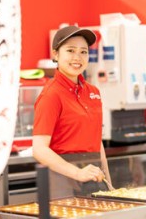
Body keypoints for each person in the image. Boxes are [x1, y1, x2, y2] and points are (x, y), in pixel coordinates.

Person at [32, 25, 114, 197]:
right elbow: (39, 150)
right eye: (70, 50)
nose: (77, 57)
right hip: (62, 182)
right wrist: (78, 173)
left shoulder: (93, 92)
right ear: (56, 54)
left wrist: (109, 182)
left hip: (93, 177)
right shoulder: (51, 95)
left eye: (83, 52)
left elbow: (96, 141)